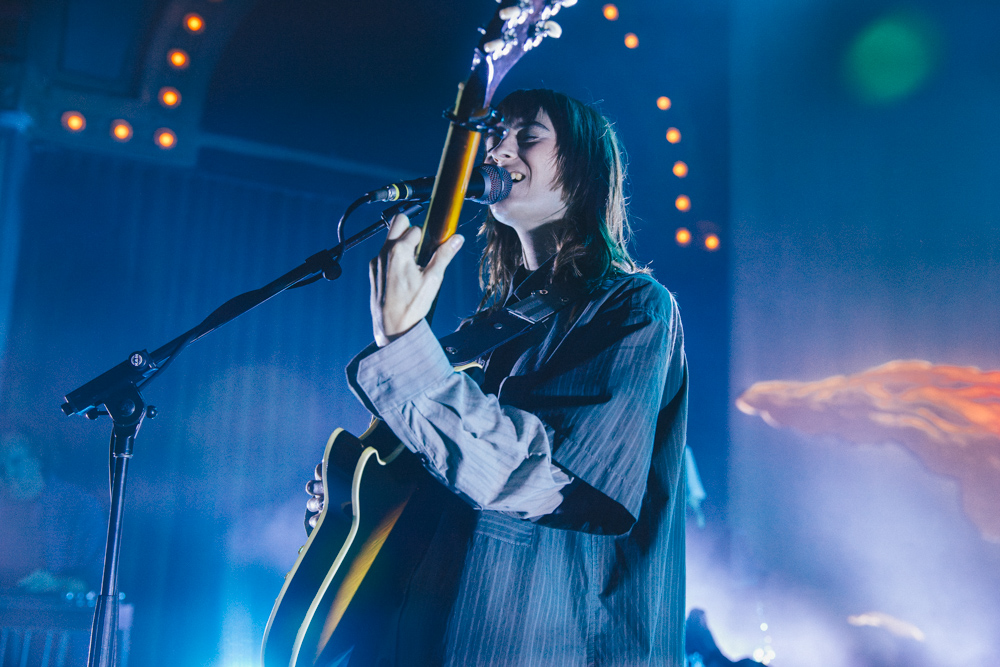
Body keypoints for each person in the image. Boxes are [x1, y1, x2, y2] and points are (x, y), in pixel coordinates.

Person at [310, 89, 688, 665]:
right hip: (432, 631)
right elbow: (447, 474)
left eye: (527, 136)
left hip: (546, 638)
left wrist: (407, 346)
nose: (499, 148)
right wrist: (353, 505)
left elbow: (554, 475)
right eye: (495, 134)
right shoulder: (490, 329)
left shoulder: (633, 306)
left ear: (583, 169)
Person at [0, 431, 104, 594]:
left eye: (16, 461)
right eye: (1, 466)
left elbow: (97, 579)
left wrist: (58, 583)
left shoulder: (80, 507)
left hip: (58, 615)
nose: (7, 473)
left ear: (38, 458)